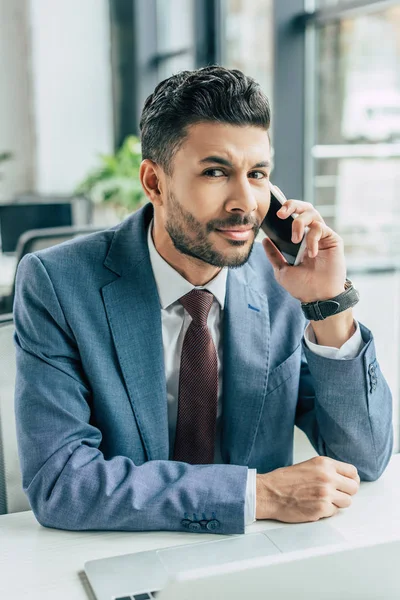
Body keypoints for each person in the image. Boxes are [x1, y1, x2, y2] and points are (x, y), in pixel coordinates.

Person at [14, 66, 392, 535]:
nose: (244, 202)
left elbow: (364, 458)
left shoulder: (284, 282)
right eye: (216, 172)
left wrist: (328, 305)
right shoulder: (58, 283)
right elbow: (61, 483)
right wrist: (258, 494)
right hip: (123, 555)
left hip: (256, 557)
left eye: (257, 174)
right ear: (154, 183)